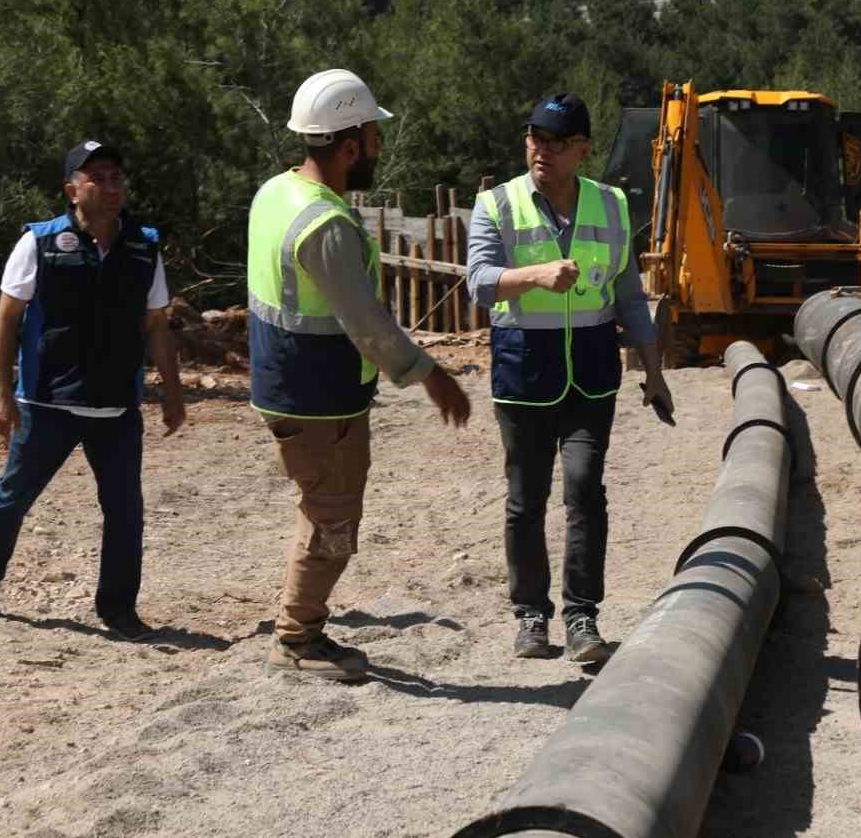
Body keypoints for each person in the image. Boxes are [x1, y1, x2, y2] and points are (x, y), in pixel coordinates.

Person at [248, 68, 471, 681]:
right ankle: (298, 639)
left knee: (322, 509)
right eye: (373, 136)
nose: (378, 146)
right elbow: (366, 322)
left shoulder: (275, 193)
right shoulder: (326, 225)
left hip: (289, 388)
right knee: (335, 517)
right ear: (349, 145)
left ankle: (302, 625)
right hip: (318, 399)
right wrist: (432, 376)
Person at [466, 92, 673, 663]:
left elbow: (629, 297)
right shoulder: (497, 204)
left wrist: (653, 371)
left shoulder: (611, 206)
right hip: (523, 367)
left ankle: (583, 618)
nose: (542, 150)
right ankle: (531, 615)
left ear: (582, 148)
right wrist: (536, 275)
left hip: (590, 373)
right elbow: (479, 282)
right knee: (525, 499)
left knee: (584, 489)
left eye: (556, 142)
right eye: (535, 137)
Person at [0, 141, 186, 640]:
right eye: (97, 177)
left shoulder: (144, 247)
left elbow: (157, 324)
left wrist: (172, 391)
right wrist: (0, 393)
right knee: (14, 496)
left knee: (126, 511)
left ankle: (118, 609)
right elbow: (6, 319)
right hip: (47, 401)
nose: (110, 186)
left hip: (117, 407)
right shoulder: (38, 243)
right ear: (72, 189)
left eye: (116, 177)